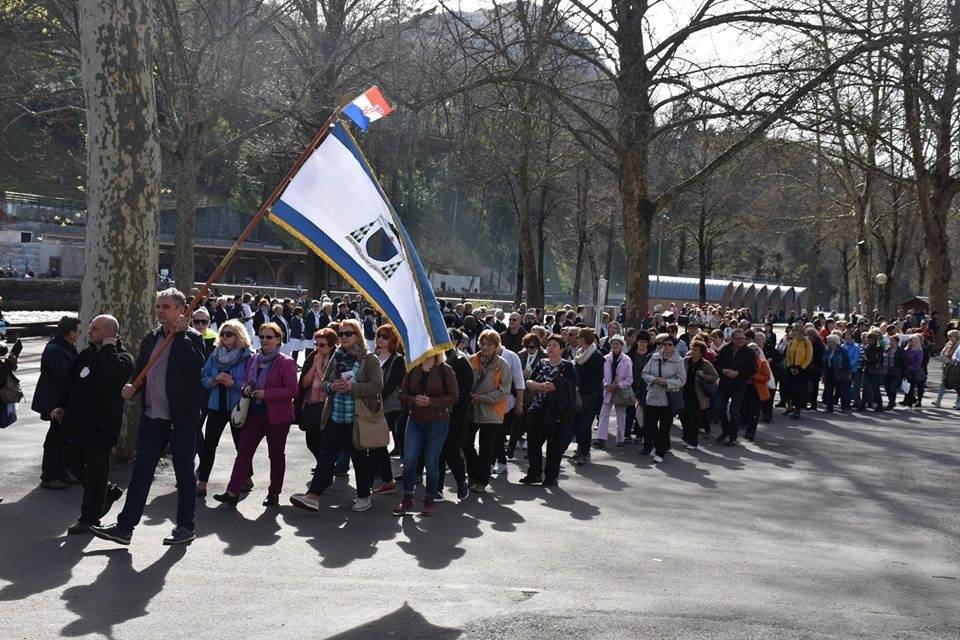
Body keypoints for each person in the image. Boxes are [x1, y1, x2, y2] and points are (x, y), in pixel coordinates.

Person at [92, 288, 206, 546]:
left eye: (165, 306)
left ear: (180, 310)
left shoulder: (193, 339)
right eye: (157, 306)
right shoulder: (151, 338)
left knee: (185, 475)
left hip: (181, 420)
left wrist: (181, 337)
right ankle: (124, 528)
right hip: (152, 418)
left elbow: (196, 367)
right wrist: (133, 385)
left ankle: (185, 526)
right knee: (141, 473)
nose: (160, 311)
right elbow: (142, 369)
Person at [50, 315, 134, 534]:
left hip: (101, 427)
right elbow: (71, 382)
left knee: (96, 470)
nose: (89, 331)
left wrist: (108, 348)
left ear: (108, 334)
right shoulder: (85, 355)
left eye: (94, 329)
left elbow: (112, 371)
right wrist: (61, 405)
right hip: (76, 424)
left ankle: (89, 518)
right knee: (70, 461)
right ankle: (105, 491)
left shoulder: (122, 358)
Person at [290, 319, 384, 513]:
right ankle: (312, 497)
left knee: (359, 459)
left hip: (356, 420)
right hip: (334, 417)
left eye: (347, 334)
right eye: (340, 334)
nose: (343, 337)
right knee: (325, 457)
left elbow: (377, 387)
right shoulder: (337, 356)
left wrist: (353, 387)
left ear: (357, 335)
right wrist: (332, 387)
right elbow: (325, 382)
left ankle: (364, 496)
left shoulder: (369, 359)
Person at [213, 322, 297, 507]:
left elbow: (292, 390)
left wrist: (267, 394)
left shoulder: (286, 362)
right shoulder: (254, 359)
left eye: (269, 337)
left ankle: (274, 493)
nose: (265, 340)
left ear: (278, 340)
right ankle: (232, 492)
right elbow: (244, 382)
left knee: (275, 455)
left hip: (277, 418)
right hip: (253, 415)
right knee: (243, 454)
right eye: (262, 336)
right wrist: (247, 388)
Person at [393, 353, 459, 515]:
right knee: (409, 461)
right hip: (415, 419)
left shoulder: (445, 370)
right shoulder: (413, 367)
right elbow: (402, 394)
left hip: (438, 422)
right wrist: (413, 400)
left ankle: (430, 499)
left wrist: (431, 401)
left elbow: (454, 396)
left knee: (431, 462)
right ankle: (407, 499)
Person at [196, 319, 253, 498]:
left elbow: (251, 382)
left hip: (237, 405)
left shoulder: (248, 356)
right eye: (223, 333)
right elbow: (204, 375)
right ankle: (202, 482)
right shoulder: (215, 354)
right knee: (209, 445)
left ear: (239, 336)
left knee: (240, 445)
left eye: (229, 334)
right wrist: (213, 380)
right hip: (216, 405)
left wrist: (233, 383)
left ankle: (247, 477)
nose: (225, 337)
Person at [520, 334, 578, 486]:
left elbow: (575, 387)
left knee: (554, 445)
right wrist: (539, 386)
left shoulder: (567, 366)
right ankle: (534, 474)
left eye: (555, 345)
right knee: (533, 442)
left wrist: (556, 386)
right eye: (549, 345)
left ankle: (551, 477)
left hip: (557, 411)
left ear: (562, 349)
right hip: (538, 408)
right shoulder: (541, 363)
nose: (551, 348)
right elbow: (529, 381)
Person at [33, 316, 81, 490]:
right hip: (55, 402)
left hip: (58, 400)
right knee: (55, 439)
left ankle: (60, 472)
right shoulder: (56, 350)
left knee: (60, 437)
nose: (79, 334)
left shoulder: (61, 347)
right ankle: (49, 475)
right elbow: (66, 376)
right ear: (70, 333)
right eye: (77, 331)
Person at [464, 330, 512, 493]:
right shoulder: (471, 360)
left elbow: (503, 391)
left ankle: (482, 481)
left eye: (489, 344)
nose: (485, 347)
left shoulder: (503, 365)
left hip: (492, 412)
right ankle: (472, 473)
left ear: (497, 346)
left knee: (486, 447)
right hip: (470, 410)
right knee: (466, 443)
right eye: (482, 343)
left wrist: (481, 398)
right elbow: (463, 383)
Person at [370, 324, 405, 494]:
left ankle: (369, 482)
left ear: (393, 339)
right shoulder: (372, 356)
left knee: (377, 442)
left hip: (390, 407)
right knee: (378, 444)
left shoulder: (398, 359)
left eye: (385, 336)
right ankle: (387, 480)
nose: (381, 339)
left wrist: (375, 398)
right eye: (379, 336)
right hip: (371, 406)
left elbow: (391, 384)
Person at [296, 328, 337, 470]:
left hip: (327, 407)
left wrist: (319, 369)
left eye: (322, 345)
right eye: (316, 344)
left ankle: (325, 469)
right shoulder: (313, 357)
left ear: (331, 346)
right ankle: (324, 466)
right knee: (311, 442)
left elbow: (330, 385)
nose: (318, 348)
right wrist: (314, 367)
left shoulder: (336, 359)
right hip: (311, 405)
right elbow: (304, 383)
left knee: (324, 442)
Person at [640, 334, 686, 461]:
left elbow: (682, 380)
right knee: (651, 425)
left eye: (670, 344)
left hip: (667, 399)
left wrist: (667, 382)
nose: (666, 347)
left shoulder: (679, 361)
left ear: (674, 346)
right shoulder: (654, 358)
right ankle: (656, 444)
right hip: (653, 397)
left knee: (665, 427)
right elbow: (644, 373)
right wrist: (654, 379)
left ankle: (660, 452)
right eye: (664, 344)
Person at [713, 329, 756, 445]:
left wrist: (738, 373)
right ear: (732, 339)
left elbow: (752, 370)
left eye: (743, 339)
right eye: (738, 339)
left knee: (734, 411)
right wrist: (723, 370)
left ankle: (733, 436)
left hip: (739, 385)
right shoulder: (726, 349)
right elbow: (716, 362)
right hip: (725, 383)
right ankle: (726, 429)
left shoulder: (749, 352)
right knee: (718, 408)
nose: (741, 341)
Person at [568, 328, 603, 465]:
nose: (577, 339)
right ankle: (580, 448)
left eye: (579, 337)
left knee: (585, 425)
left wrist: (581, 387)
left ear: (583, 339)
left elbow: (598, 379)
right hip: (578, 396)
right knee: (577, 424)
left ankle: (585, 453)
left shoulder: (596, 356)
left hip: (591, 397)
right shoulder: (579, 353)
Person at [594, 334, 633, 448]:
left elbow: (629, 379)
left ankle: (620, 439)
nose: (615, 345)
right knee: (603, 414)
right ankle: (601, 438)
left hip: (620, 391)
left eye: (617, 343)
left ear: (622, 346)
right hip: (608, 390)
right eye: (613, 343)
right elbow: (601, 375)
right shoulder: (605, 358)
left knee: (621, 415)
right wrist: (607, 385)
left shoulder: (627, 360)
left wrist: (618, 385)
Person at [680, 341, 718, 450]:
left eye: (695, 350)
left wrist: (704, 375)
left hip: (697, 396)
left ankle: (693, 441)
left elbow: (715, 376)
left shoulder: (705, 364)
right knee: (683, 416)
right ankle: (686, 436)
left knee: (694, 419)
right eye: (692, 349)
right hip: (684, 393)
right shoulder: (686, 361)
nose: (692, 351)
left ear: (701, 353)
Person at [742, 343, 771, 441]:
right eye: (751, 349)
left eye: (756, 349)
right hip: (744, 388)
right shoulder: (743, 361)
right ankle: (743, 426)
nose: (754, 351)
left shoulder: (762, 362)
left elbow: (767, 377)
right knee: (744, 410)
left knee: (754, 412)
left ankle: (751, 432)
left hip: (757, 390)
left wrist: (754, 377)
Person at [822, 334, 852, 413]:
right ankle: (829, 408)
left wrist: (848, 373)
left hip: (840, 372)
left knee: (842, 391)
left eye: (829, 341)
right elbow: (824, 363)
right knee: (829, 391)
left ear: (834, 342)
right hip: (829, 372)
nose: (827, 342)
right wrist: (823, 374)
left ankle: (844, 407)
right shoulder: (827, 350)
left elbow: (847, 363)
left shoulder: (842, 350)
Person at [932, 329, 960, 408]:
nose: (949, 338)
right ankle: (938, 401)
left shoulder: (959, 345)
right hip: (947, 367)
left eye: (950, 336)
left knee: (958, 385)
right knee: (943, 383)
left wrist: (951, 361)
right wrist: (945, 359)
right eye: (948, 336)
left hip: (957, 367)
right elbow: (942, 353)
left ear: (956, 337)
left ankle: (958, 403)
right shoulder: (948, 344)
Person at [859, 331, 885, 411]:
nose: (867, 340)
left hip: (875, 371)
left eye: (868, 338)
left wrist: (866, 359)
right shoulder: (867, 347)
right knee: (865, 388)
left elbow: (877, 360)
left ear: (873, 339)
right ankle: (863, 405)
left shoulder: (879, 348)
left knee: (875, 389)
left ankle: (879, 405)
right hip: (867, 370)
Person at [901, 335, 926, 409]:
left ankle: (909, 404)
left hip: (914, 371)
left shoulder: (919, 351)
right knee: (907, 387)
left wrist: (909, 368)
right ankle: (912, 401)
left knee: (911, 388)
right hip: (906, 371)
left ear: (915, 341)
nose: (909, 342)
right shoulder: (906, 349)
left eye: (911, 340)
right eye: (909, 340)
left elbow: (918, 363)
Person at [882, 334, 906, 410]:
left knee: (893, 388)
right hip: (886, 372)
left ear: (896, 342)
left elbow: (904, 363)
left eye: (892, 340)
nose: (890, 342)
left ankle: (891, 403)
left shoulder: (901, 351)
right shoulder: (887, 349)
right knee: (886, 387)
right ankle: (891, 401)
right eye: (890, 340)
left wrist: (904, 373)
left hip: (896, 373)